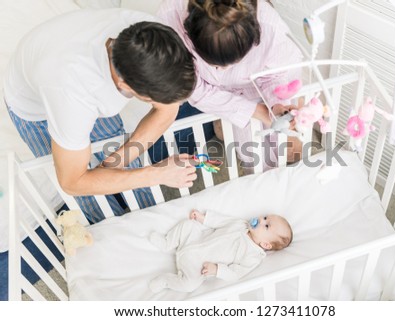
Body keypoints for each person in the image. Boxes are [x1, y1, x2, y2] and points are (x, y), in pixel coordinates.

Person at [3, 9, 199, 223]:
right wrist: (157, 174)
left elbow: (167, 109)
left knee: (121, 150)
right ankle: (109, 227)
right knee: (83, 186)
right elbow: (72, 181)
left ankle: (147, 217)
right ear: (125, 86)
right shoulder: (72, 94)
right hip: (35, 107)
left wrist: (112, 167)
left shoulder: (154, 37)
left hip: (64, 72)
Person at [157, 0, 304, 170]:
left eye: (234, 62)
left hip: (262, 80)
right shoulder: (168, 22)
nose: (223, 70)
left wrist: (276, 104)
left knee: (283, 142)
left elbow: (274, 75)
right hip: (216, 90)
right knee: (250, 151)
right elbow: (193, 88)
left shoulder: (270, 28)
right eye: (214, 64)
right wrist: (254, 111)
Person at [148, 209, 293, 293]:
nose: (261, 220)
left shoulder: (253, 256)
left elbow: (236, 273)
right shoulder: (241, 224)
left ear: (266, 245)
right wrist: (203, 218)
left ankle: (166, 281)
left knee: (190, 285)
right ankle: (167, 242)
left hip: (198, 266)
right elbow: (222, 221)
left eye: (266, 226)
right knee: (188, 225)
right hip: (193, 241)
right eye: (265, 217)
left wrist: (217, 269)